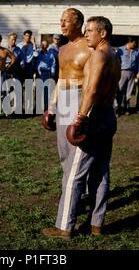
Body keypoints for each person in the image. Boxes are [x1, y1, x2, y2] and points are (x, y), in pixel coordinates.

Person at [42, 16, 120, 239]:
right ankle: (97, 225)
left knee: (75, 173)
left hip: (94, 116)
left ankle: (64, 227)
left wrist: (80, 117)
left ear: (102, 34)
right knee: (101, 171)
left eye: (91, 31)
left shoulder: (98, 55)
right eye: (86, 30)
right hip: (108, 116)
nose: (87, 35)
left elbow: (92, 91)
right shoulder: (115, 56)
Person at [41, 7, 92, 238]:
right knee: (64, 156)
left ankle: (67, 219)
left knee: (78, 158)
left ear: (78, 22)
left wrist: (85, 113)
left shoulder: (90, 48)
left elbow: (93, 83)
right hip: (64, 100)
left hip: (81, 100)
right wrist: (51, 108)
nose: (61, 24)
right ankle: (77, 199)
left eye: (65, 20)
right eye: (60, 20)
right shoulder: (61, 49)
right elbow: (61, 79)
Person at [116, 37, 138, 116]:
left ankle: (127, 108)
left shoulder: (135, 51)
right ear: (130, 42)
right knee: (120, 91)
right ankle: (118, 108)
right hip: (123, 72)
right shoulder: (120, 50)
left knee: (129, 91)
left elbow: (137, 63)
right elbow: (117, 61)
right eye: (134, 43)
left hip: (132, 72)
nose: (135, 45)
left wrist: (138, 72)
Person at [35, 39, 56, 111]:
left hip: (47, 73)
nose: (44, 46)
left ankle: (47, 108)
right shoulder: (38, 53)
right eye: (43, 44)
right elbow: (35, 60)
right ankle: (39, 107)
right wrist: (37, 70)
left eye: (45, 45)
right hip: (39, 73)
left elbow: (53, 64)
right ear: (41, 45)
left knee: (47, 91)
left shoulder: (50, 54)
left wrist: (52, 73)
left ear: (47, 46)